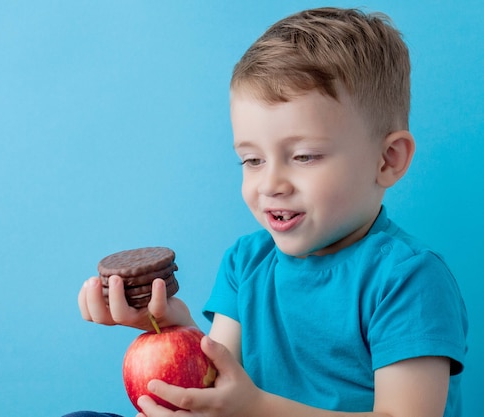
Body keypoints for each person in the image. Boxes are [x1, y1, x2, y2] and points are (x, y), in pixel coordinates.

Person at [70, 7, 468, 417]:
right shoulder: (247, 262)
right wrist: (168, 326)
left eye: (303, 156)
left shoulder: (409, 280)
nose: (271, 184)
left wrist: (256, 408)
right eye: (252, 161)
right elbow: (220, 380)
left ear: (387, 160)